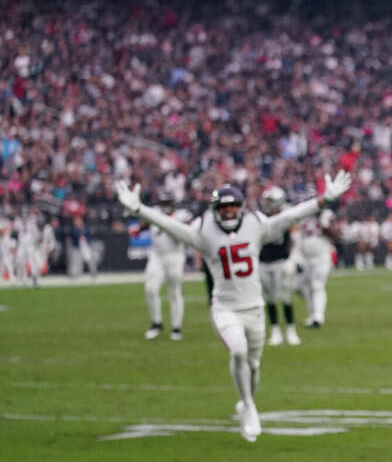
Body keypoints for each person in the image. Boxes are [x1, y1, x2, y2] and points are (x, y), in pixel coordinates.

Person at [115, 171, 352, 442]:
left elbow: (291, 216)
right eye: (223, 207)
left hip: (254, 308)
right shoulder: (203, 230)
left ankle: (246, 401)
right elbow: (171, 226)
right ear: (215, 209)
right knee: (237, 351)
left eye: (233, 206)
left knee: (253, 366)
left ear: (240, 208)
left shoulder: (255, 224)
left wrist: (324, 200)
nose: (228, 211)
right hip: (225, 307)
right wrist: (138, 208)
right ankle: (249, 407)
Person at [136, 193, 192, 340]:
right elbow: (145, 223)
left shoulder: (182, 215)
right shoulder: (155, 212)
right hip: (157, 256)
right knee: (150, 289)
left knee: (174, 293)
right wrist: (139, 229)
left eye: (168, 202)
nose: (166, 206)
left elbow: (190, 229)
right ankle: (156, 323)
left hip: (175, 256)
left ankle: (176, 328)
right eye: (163, 202)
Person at [259, 186, 302, 346]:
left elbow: (296, 241)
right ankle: (275, 330)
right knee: (269, 298)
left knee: (286, 297)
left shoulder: (287, 217)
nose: (266, 203)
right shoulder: (260, 218)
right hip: (263, 262)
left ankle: (291, 330)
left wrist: (292, 260)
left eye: (270, 201)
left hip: (281, 261)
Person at [297, 205, 338, 329]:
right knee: (299, 286)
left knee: (317, 286)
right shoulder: (301, 215)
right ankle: (313, 313)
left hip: (321, 256)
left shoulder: (326, 215)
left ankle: (318, 317)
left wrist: (325, 225)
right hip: (304, 257)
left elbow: (336, 233)